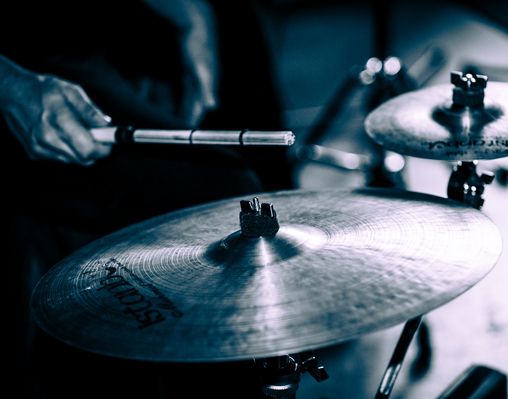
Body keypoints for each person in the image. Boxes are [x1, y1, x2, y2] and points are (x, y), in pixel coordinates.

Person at [2, 1, 292, 397]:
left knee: (236, 22)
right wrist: (10, 86)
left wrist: (190, 13)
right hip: (16, 66)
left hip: (61, 38)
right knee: (215, 197)